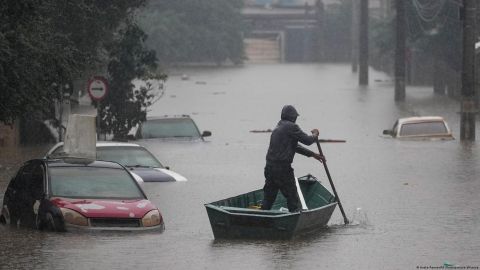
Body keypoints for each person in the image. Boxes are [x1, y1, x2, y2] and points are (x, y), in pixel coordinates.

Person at [261, 105, 325, 212]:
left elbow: (295, 146)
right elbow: (308, 141)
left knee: (269, 197)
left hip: (269, 168)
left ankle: (261, 218)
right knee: (292, 196)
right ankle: (294, 217)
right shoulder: (291, 127)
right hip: (283, 169)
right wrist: (315, 134)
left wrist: (313, 154)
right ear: (292, 117)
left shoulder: (278, 127)